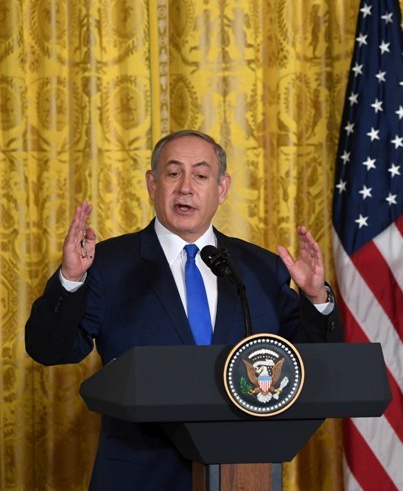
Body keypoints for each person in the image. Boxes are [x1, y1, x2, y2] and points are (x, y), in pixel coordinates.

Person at [25, 130, 343, 491]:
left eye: (201, 175)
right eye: (173, 173)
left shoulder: (261, 268)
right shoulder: (108, 264)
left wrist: (316, 299)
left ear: (222, 189)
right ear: (152, 184)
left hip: (240, 473)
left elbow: (314, 363)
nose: (186, 188)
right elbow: (48, 349)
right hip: (140, 478)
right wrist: (70, 279)